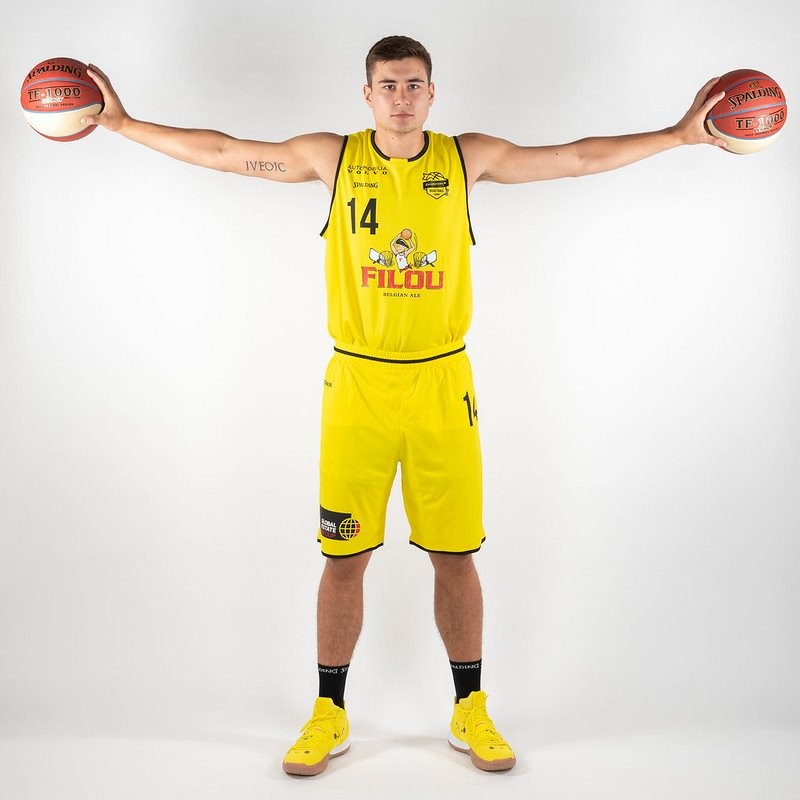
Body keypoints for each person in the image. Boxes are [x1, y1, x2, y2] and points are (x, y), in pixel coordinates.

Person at [81, 35, 726, 777]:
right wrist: (124, 125)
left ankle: (469, 707)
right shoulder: (332, 158)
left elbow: (578, 157)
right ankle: (328, 711)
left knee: (455, 554)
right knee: (343, 557)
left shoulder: (467, 159)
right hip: (357, 385)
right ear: (367, 95)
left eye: (414, 84)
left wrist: (678, 136)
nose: (401, 97)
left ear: (431, 93)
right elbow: (225, 151)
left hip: (441, 384)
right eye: (388, 85)